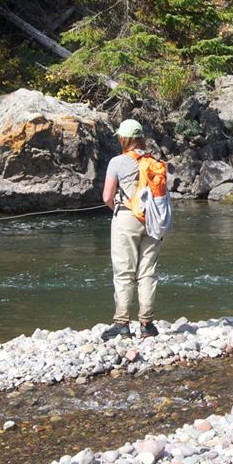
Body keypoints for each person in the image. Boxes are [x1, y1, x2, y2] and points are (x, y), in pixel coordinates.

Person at [100, 119, 166, 341]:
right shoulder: (154, 161)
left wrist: (118, 210)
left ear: (123, 139)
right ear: (141, 139)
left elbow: (107, 197)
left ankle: (122, 324)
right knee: (147, 271)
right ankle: (147, 325)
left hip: (126, 219)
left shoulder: (117, 162)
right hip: (153, 220)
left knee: (124, 272)